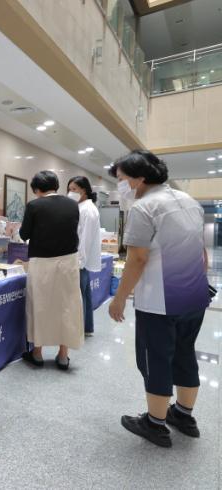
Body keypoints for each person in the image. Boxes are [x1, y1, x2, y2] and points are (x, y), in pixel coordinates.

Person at [108, 150, 210, 448]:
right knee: (184, 352)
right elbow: (201, 251)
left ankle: (155, 424)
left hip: (160, 301)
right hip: (194, 294)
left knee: (155, 359)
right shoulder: (188, 201)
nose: (120, 186)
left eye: (122, 179)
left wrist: (119, 298)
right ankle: (184, 415)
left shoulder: (144, 207)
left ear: (139, 179)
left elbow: (137, 259)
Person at [19, 170, 83, 370]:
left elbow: (24, 234)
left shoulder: (34, 205)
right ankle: (63, 356)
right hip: (69, 261)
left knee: (40, 305)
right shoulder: (73, 205)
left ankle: (37, 353)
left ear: (37, 189)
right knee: (67, 306)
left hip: (42, 262)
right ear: (56, 186)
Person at [67, 176, 102, 336]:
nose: (71, 192)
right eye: (69, 189)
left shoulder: (87, 210)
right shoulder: (82, 207)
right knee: (85, 294)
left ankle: (78, 331)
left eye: (74, 189)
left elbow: (85, 239)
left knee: (78, 296)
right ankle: (87, 327)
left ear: (84, 190)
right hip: (81, 260)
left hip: (79, 261)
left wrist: (79, 262)